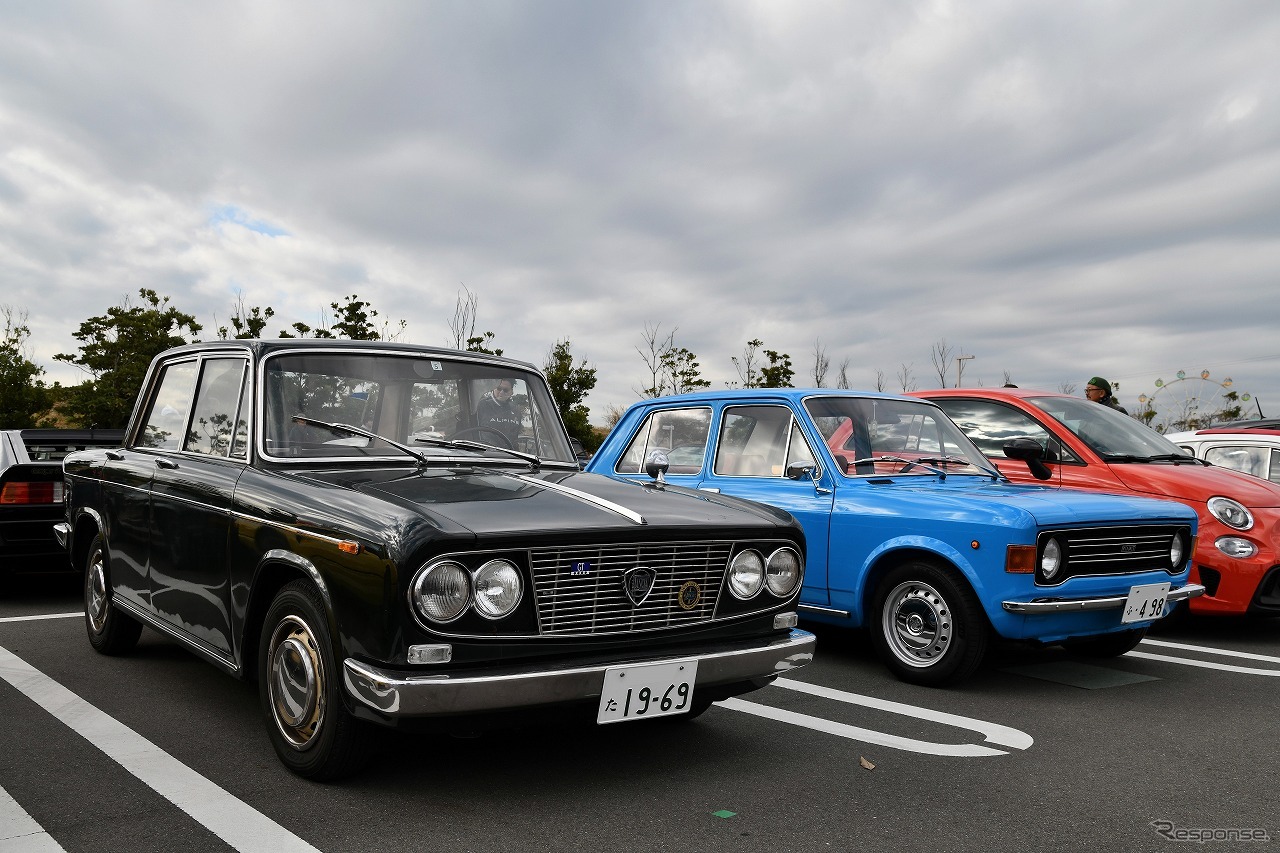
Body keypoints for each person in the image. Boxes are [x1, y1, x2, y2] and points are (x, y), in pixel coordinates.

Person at [473, 377, 522, 445]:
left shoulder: (516, 410)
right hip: (485, 450)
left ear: (511, 391)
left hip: (509, 451)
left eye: (505, 390)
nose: (501, 393)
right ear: (493, 389)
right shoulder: (480, 406)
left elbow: (515, 438)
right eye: (499, 388)